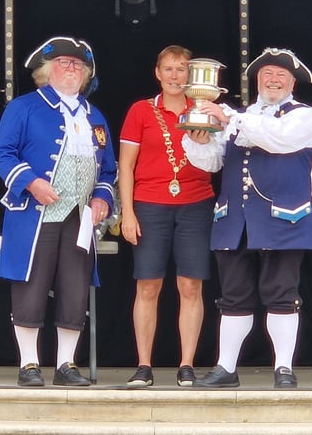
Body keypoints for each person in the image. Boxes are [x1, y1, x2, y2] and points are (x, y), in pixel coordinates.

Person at [182, 47, 312, 388]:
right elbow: (212, 163)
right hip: (236, 220)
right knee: (233, 296)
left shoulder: (303, 116)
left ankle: (284, 369)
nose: (273, 80)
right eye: (267, 75)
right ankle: (226, 369)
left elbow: (278, 139)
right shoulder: (238, 117)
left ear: (293, 83)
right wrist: (198, 139)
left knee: (281, 293)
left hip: (283, 220)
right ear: (257, 80)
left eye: (281, 76)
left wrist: (231, 118)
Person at [0, 36, 117, 387]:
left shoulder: (96, 116)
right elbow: (1, 154)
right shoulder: (24, 107)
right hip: (35, 213)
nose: (72, 69)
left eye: (78, 65)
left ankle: (66, 365)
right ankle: (29, 364)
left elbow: (108, 170)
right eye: (64, 62)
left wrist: (102, 198)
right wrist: (31, 183)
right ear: (47, 71)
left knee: (75, 288)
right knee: (30, 285)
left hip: (79, 217)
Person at [118, 45, 215, 387]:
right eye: (169, 69)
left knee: (190, 285)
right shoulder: (140, 111)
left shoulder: (204, 109)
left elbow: (219, 158)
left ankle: (186, 365)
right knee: (148, 285)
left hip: (195, 203)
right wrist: (127, 213)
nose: (176, 76)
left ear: (192, 75)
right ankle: (144, 365)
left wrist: (204, 141)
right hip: (149, 203)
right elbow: (125, 166)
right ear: (157, 73)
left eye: (182, 69)